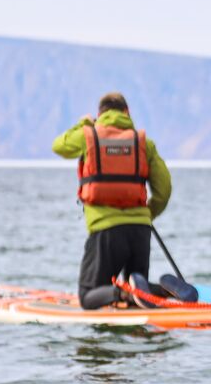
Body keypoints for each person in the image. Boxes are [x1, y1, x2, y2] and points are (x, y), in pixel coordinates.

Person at [51, 92, 171, 309]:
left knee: (88, 297)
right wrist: (145, 215)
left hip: (106, 232)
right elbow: (164, 190)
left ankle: (124, 293)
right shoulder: (144, 143)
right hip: (140, 231)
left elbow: (59, 146)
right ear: (127, 112)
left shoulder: (88, 136)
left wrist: (83, 124)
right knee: (139, 300)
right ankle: (163, 290)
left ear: (100, 114)